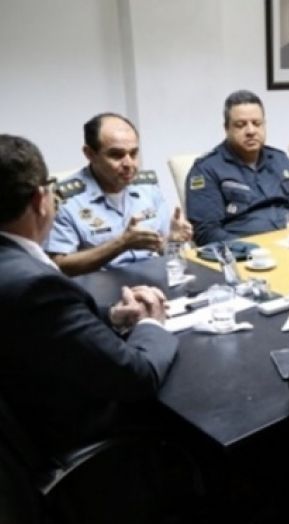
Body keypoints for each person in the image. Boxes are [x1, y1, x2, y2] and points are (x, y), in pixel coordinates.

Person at [0, 134, 179, 456]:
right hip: (75, 436)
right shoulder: (35, 285)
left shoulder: (17, 271)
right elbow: (137, 377)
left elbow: (50, 323)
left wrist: (112, 316)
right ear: (41, 199)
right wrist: (152, 325)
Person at [45, 113, 193, 276]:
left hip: (152, 279)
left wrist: (174, 242)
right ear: (90, 154)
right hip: (101, 284)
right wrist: (121, 244)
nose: (129, 164)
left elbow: (164, 251)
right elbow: (58, 266)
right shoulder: (65, 199)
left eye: (133, 153)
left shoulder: (147, 188)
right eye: (116, 155)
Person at [186, 90, 289, 245]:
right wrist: (251, 249)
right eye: (240, 125)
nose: (251, 131)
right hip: (247, 252)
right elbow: (207, 232)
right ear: (226, 128)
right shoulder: (207, 169)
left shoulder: (280, 160)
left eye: (257, 123)